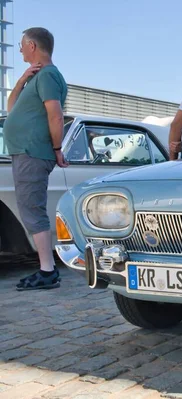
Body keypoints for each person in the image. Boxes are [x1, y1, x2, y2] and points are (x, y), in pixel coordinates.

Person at [4, 27, 68, 290]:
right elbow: (11, 109)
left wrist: (56, 148)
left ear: (31, 45)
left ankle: (47, 271)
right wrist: (20, 81)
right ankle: (46, 269)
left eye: (21, 45)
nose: (19, 50)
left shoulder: (49, 75)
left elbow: (56, 115)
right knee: (31, 208)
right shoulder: (36, 78)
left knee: (33, 210)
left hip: (33, 152)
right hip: (26, 152)